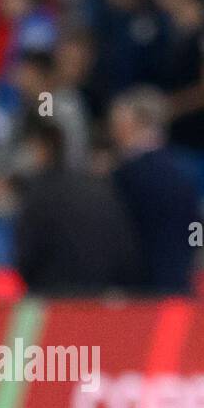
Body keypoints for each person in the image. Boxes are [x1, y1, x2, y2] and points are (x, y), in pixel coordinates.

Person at [15, 118, 140, 295]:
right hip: (99, 297)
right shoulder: (99, 189)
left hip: (51, 298)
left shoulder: (39, 194)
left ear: (42, 148)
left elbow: (27, 255)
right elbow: (124, 248)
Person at [109, 86, 202, 294]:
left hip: (141, 292)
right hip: (179, 285)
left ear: (131, 124)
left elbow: (119, 237)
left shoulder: (126, 176)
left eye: (117, 124)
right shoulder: (185, 172)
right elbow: (196, 230)